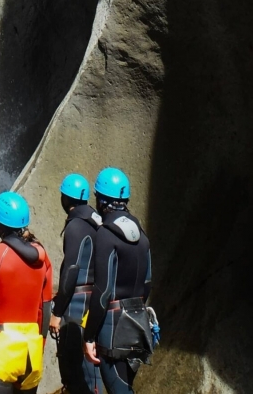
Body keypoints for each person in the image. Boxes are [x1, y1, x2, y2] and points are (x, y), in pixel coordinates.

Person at [0, 192, 53, 394]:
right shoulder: (43, 258)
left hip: (1, 351)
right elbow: (46, 308)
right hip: (31, 353)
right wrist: (39, 347)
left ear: (0, 225)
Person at [83, 169, 154, 394]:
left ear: (102, 201)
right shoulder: (142, 235)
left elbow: (103, 293)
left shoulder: (105, 234)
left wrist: (89, 336)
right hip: (139, 324)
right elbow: (148, 282)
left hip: (111, 331)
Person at [48, 174, 102, 394]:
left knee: (73, 371)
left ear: (65, 199)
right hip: (96, 302)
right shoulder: (98, 220)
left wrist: (58, 311)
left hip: (76, 307)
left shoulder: (76, 226)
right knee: (92, 370)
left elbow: (71, 271)